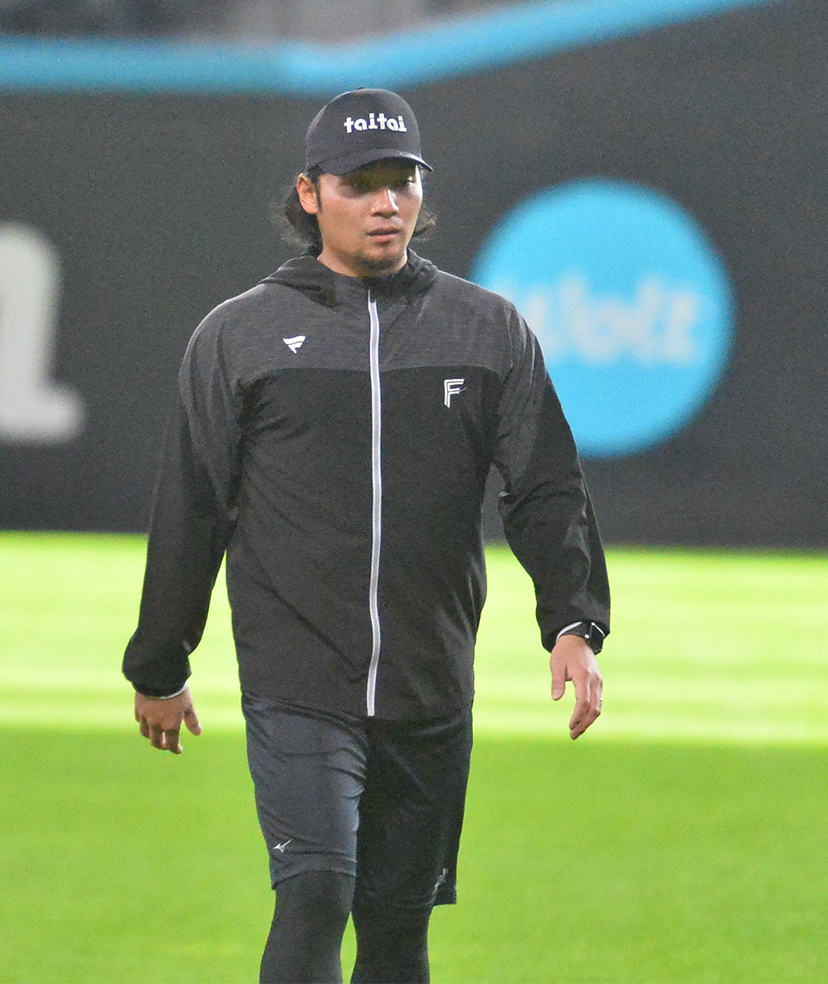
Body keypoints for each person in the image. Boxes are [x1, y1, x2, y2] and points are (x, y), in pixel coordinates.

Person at [123, 87, 610, 984]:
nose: (387, 203)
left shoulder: (487, 330)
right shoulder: (240, 335)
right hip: (298, 678)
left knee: (396, 933)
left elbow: (546, 486)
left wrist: (574, 621)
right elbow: (192, 506)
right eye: (361, 184)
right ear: (310, 194)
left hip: (432, 682)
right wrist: (160, 664)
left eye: (403, 181)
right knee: (315, 891)